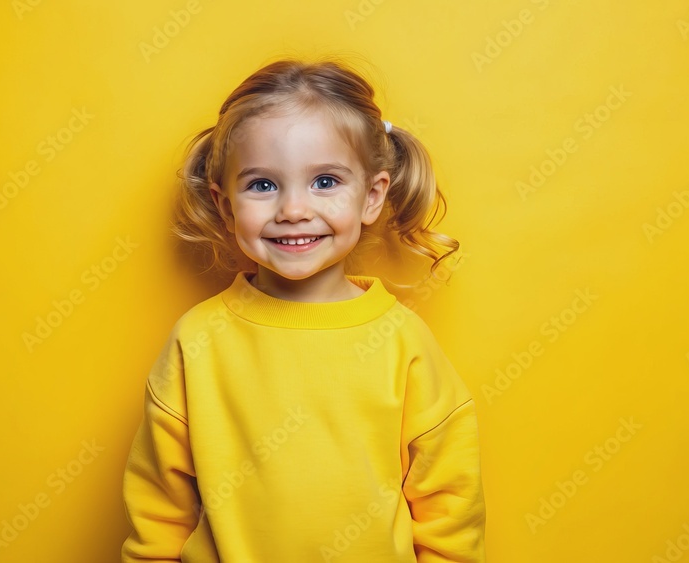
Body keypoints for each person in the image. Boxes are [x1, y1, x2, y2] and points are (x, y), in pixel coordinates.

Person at [121, 57, 485, 562]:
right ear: (225, 205)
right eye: (263, 185)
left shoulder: (403, 341)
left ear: (372, 196)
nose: (293, 210)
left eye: (325, 182)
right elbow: (158, 502)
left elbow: (449, 497)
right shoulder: (197, 339)